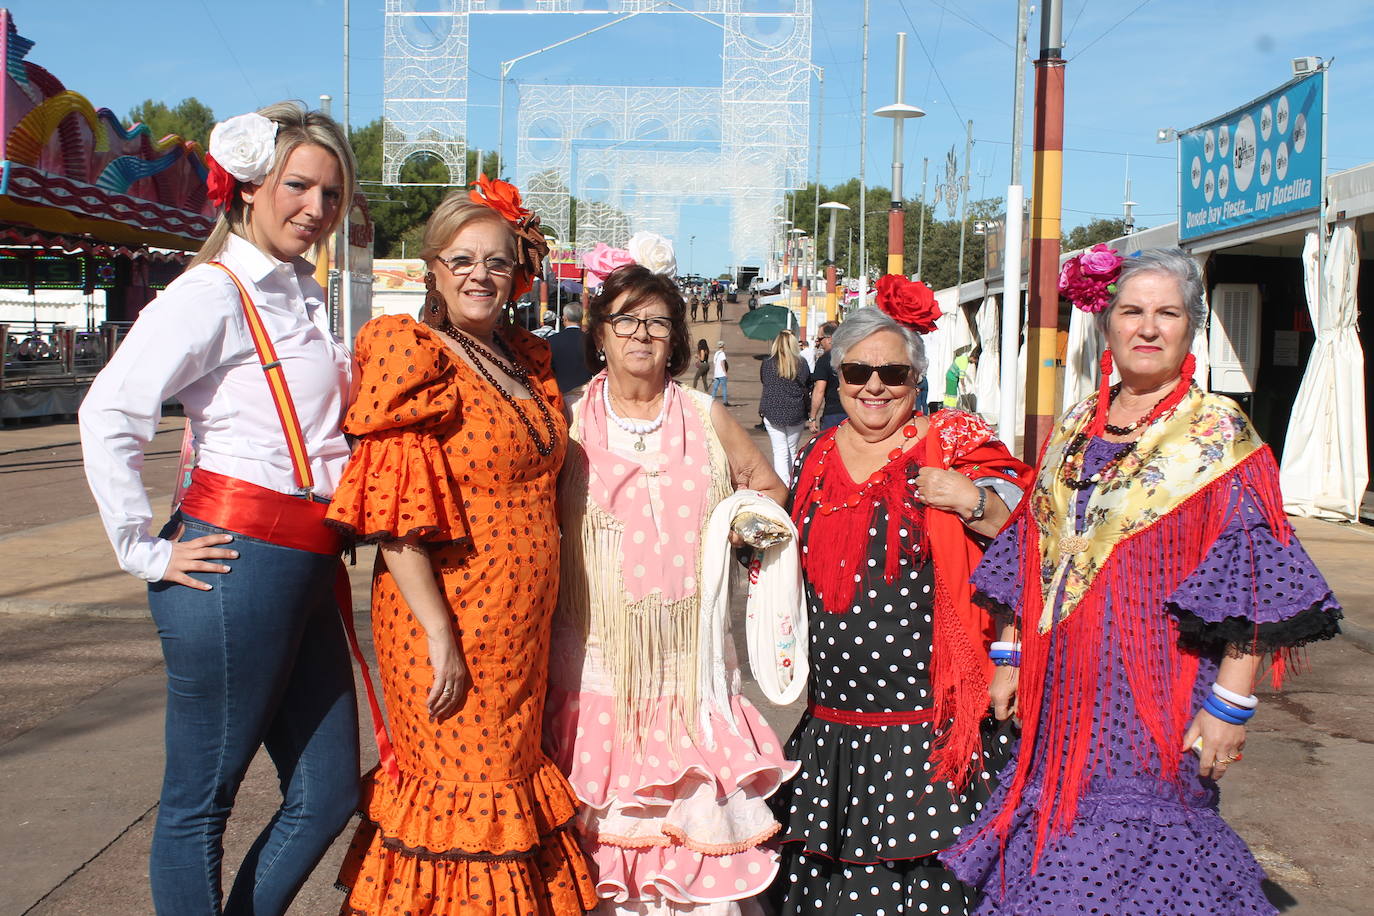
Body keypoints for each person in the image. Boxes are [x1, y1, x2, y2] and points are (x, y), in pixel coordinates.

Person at [940, 247, 1343, 914]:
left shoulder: (1219, 437)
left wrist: (1229, 707)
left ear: (1192, 328)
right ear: (1108, 325)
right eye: (1132, 311)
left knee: (1141, 865)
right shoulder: (1073, 428)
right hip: (1060, 700)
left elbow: (1248, 579)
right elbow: (1032, 551)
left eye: (1168, 313)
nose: (1148, 328)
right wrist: (1008, 658)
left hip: (1154, 699)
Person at [79, 103, 361, 915]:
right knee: (202, 803)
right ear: (244, 189)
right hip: (236, 558)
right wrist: (144, 547)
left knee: (330, 790)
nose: (316, 209)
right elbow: (111, 412)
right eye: (298, 186)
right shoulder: (214, 290)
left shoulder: (302, 295)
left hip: (306, 559)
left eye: (332, 194)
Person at [326, 177, 595, 915]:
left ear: (518, 273)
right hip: (446, 620)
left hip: (518, 631)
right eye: (463, 259)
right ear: (433, 271)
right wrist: (441, 635)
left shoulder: (520, 358)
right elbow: (394, 514)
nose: (481, 275)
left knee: (503, 786)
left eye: (498, 262)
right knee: (459, 796)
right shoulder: (412, 353)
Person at [544, 255, 795, 915]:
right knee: (604, 840)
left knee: (694, 840)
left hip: (691, 667)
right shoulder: (566, 420)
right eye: (625, 320)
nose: (641, 335)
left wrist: (742, 534)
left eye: (656, 321)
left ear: (675, 337)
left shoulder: (707, 415)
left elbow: (769, 496)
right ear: (598, 332)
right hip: (598, 663)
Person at [769, 306, 1032, 915]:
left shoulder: (958, 444)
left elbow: (1036, 544)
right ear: (836, 378)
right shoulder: (817, 454)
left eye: (892, 372)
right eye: (858, 370)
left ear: (917, 380)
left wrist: (972, 501)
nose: (874, 386)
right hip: (833, 727)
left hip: (931, 731)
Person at [758, 328, 812, 485]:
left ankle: (783, 487)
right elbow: (808, 384)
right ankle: (794, 483)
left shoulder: (767, 364)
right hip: (796, 411)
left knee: (780, 451)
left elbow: (764, 381)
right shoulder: (802, 364)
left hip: (772, 411)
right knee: (792, 450)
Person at [805, 320, 843, 432]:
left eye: (820, 339)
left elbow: (819, 390)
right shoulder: (853, 354)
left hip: (833, 414)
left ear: (830, 338)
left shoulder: (825, 360)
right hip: (856, 413)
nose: (818, 343)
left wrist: (812, 417)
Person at [551, 301, 593, 394]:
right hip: (586, 392)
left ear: (565, 318)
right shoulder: (590, 340)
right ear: (581, 318)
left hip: (561, 393)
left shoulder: (552, 341)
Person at [711, 339, 732, 406]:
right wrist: (725, 373)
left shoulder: (716, 353)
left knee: (715, 388)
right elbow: (722, 363)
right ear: (723, 346)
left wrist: (714, 374)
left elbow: (714, 364)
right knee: (724, 388)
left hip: (717, 374)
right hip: (722, 374)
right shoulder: (722, 354)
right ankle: (725, 402)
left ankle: (712, 400)